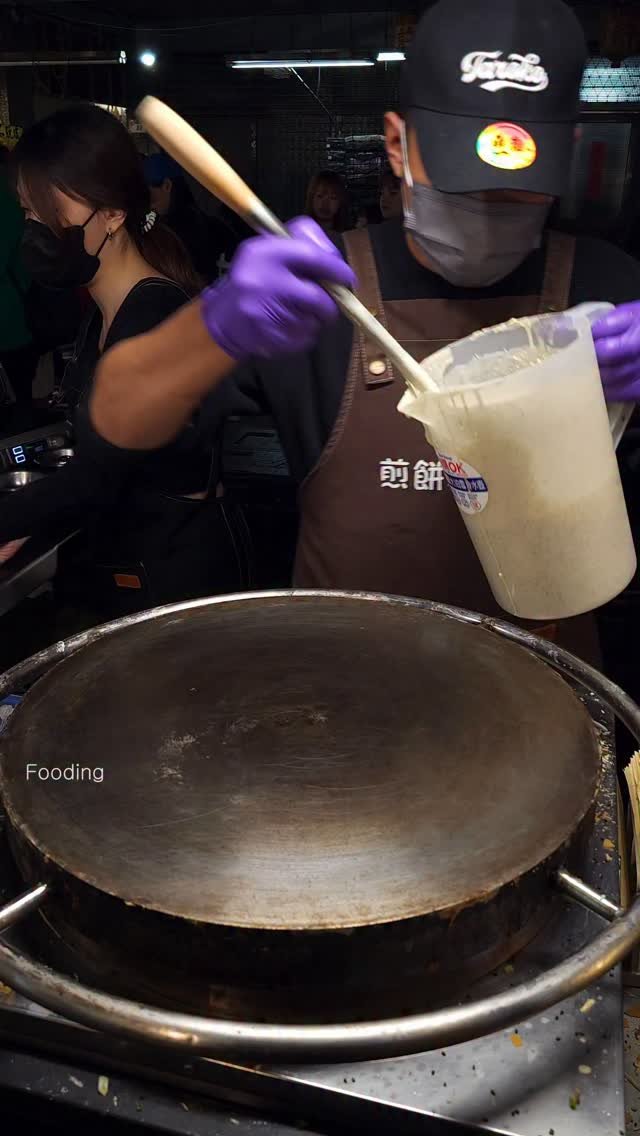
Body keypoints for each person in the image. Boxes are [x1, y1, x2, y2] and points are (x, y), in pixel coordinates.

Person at [87, 0, 640, 658]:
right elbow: (115, 423)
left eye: (519, 188)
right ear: (398, 144)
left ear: (566, 153)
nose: (491, 209)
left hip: (547, 693)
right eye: (466, 182)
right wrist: (215, 326)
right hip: (348, 701)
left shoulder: (608, 284)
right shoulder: (315, 291)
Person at [0, 106, 354, 613]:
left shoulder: (154, 315)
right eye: (27, 213)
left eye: (47, 214)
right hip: (131, 558)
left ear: (112, 214)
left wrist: (13, 518)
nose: (34, 231)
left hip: (173, 572)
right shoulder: (102, 313)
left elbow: (99, 475)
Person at [144, 152, 240, 281]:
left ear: (167, 186)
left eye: (149, 193)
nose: (148, 202)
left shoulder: (183, 231)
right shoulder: (208, 224)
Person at [0, 145, 38, 430]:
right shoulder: (14, 204)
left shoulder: (8, 204)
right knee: (20, 403)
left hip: (10, 325)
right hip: (16, 323)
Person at [305, 171, 350, 236]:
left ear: (340, 201)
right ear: (311, 198)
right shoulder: (298, 233)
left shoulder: (348, 237)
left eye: (332, 198)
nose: (325, 203)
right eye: (320, 196)